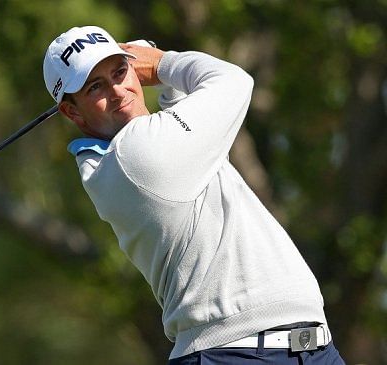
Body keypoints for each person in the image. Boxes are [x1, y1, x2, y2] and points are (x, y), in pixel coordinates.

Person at [42, 25, 345, 364]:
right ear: (72, 112)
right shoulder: (134, 155)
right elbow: (234, 82)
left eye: (120, 71)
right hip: (237, 354)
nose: (118, 91)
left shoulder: (125, 158)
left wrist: (163, 76)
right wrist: (161, 64)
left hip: (311, 349)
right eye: (96, 86)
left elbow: (182, 111)